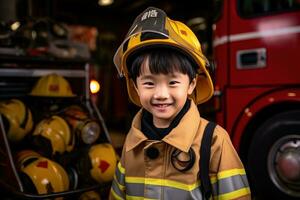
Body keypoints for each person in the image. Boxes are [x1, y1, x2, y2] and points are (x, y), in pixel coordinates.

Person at [110, 7, 251, 200]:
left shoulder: (214, 142)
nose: (161, 94)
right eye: (149, 83)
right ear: (135, 86)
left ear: (192, 84)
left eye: (173, 82)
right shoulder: (132, 143)